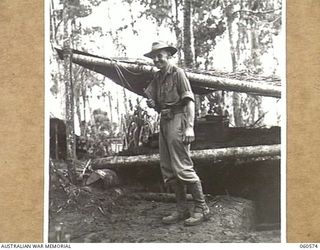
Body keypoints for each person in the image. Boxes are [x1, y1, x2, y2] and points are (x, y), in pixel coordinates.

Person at [143, 41, 210, 226]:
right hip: (164, 121)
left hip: (178, 120)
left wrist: (189, 126)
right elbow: (158, 104)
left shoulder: (178, 73)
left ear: (169, 56)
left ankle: (201, 208)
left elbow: (189, 102)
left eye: (160, 56)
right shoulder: (157, 78)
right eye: (154, 57)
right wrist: (153, 104)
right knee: (168, 168)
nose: (156, 60)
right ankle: (181, 208)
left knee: (182, 166)